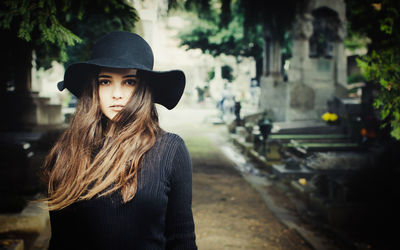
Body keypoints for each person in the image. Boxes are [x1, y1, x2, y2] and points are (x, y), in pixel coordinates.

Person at [41, 31, 197, 250]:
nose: (116, 94)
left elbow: (182, 239)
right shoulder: (68, 151)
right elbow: (60, 242)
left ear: (143, 88)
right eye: (105, 81)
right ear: (93, 88)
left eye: (129, 82)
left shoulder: (170, 150)